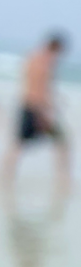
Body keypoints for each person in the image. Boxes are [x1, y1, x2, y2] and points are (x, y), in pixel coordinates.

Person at [1, 31, 72, 191]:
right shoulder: (45, 63)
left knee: (19, 144)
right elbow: (39, 90)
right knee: (61, 142)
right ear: (56, 48)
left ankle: (6, 175)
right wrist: (45, 112)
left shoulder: (32, 57)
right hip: (37, 109)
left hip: (27, 105)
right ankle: (64, 179)